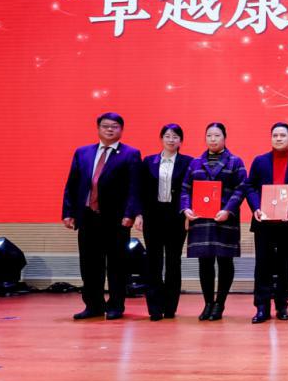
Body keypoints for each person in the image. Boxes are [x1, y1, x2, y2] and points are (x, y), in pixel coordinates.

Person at [62, 112, 142, 321]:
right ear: (98, 128)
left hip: (116, 219)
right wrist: (68, 212)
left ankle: (116, 305)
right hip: (88, 217)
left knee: (116, 265)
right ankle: (93, 305)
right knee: (89, 264)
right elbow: (72, 184)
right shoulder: (83, 152)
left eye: (114, 126)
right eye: (105, 126)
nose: (109, 129)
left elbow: (134, 188)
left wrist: (130, 214)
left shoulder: (131, 154)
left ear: (121, 130)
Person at [180, 122, 247, 321]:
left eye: (217, 135)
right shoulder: (195, 163)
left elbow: (242, 188)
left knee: (225, 262)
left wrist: (228, 210)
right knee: (205, 262)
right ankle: (208, 303)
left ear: (225, 138)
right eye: (209, 135)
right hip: (201, 220)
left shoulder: (235, 161)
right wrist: (186, 208)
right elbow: (185, 189)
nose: (213, 139)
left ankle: (220, 304)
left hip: (224, 219)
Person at [244, 122, 288, 324]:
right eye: (275, 135)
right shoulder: (260, 161)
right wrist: (256, 207)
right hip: (264, 221)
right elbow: (250, 187)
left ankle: (282, 304)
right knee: (263, 264)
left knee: (285, 264)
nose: (278, 138)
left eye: (282, 135)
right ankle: (262, 306)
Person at [135, 123, 192, 321]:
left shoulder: (188, 162)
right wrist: (139, 214)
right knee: (153, 261)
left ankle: (170, 307)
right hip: (153, 216)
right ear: (161, 139)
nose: (171, 140)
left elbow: (191, 190)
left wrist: (188, 216)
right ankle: (154, 308)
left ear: (181, 141)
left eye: (175, 136)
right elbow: (140, 190)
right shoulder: (148, 161)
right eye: (167, 136)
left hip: (177, 217)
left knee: (173, 261)